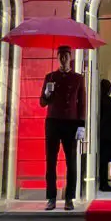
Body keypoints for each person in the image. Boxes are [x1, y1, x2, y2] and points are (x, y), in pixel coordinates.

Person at [39, 46, 86, 211]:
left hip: (71, 122)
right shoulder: (50, 77)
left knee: (71, 161)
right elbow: (42, 102)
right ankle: (51, 197)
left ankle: (69, 198)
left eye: (66, 56)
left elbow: (82, 103)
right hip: (53, 121)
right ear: (58, 58)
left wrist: (81, 125)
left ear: (70, 58)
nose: (63, 59)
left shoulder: (78, 78)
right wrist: (47, 93)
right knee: (51, 161)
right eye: (61, 56)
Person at [97, 78, 111, 192]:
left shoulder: (97, 99)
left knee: (101, 159)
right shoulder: (109, 101)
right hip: (107, 134)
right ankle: (104, 183)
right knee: (104, 160)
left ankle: (101, 181)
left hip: (99, 133)